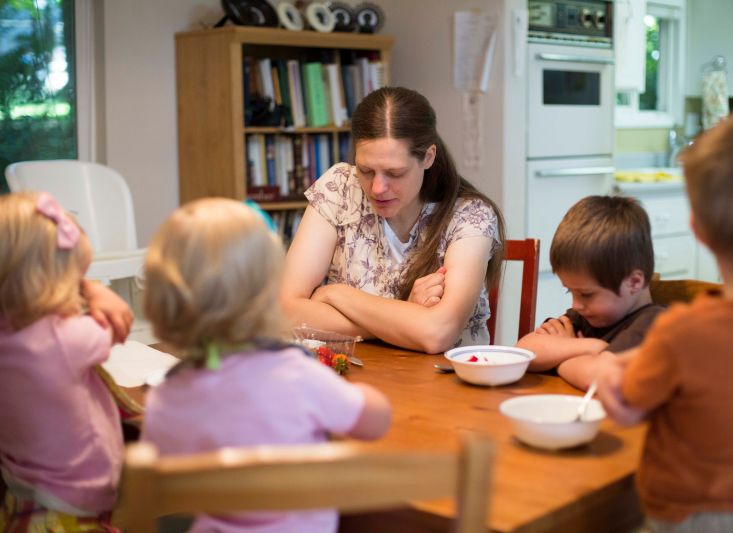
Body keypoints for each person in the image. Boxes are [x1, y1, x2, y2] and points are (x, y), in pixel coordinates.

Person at [596, 111, 733, 533]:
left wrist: (609, 369)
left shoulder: (683, 333)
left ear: (698, 230)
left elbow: (627, 410)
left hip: (685, 519)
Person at [141, 198, 392, 533]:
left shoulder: (165, 400)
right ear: (268, 293)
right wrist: (360, 394)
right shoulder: (296, 376)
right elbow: (374, 423)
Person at [280, 87, 505, 354]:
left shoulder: (470, 215)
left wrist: (337, 295)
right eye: (365, 170)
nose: (377, 188)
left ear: (428, 157)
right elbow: (283, 312)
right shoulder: (340, 187)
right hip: (360, 379)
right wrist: (407, 316)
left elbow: (437, 333)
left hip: (444, 388)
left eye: (395, 173)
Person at [0, 191, 123, 531]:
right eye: (78, 278)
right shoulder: (65, 338)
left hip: (25, 495)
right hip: (73, 504)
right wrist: (100, 291)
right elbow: (119, 322)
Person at [516, 196, 664, 390]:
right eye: (570, 291)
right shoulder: (586, 316)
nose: (575, 305)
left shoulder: (655, 324)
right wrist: (591, 347)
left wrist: (561, 356)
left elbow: (598, 379)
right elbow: (524, 351)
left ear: (634, 282)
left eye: (586, 294)